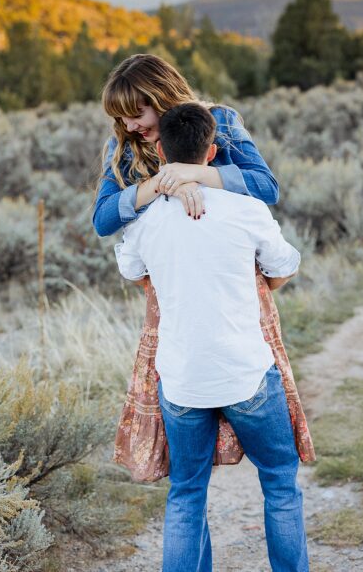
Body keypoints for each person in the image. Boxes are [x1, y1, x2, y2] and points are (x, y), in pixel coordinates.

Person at [115, 103, 308, 572]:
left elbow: (131, 270)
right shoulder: (245, 208)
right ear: (214, 151)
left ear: (160, 151)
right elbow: (285, 266)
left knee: (186, 494)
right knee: (280, 482)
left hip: (180, 380)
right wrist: (253, 281)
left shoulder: (147, 221)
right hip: (246, 373)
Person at [93, 53, 279, 238]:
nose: (129, 126)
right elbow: (102, 221)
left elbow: (268, 188)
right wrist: (163, 182)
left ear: (163, 98)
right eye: (121, 118)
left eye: (137, 115)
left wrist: (195, 173)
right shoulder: (123, 143)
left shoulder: (220, 120)